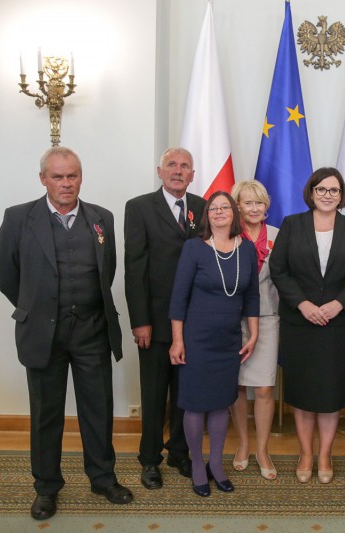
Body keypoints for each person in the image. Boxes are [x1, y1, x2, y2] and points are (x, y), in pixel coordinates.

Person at [0, 146, 133, 521]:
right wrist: (35, 308)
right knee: (46, 415)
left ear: (80, 177)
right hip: (43, 334)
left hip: (92, 331)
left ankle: (103, 479)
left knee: (98, 409)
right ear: (43, 179)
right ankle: (46, 488)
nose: (66, 183)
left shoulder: (101, 218)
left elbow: (108, 273)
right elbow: (7, 276)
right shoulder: (18, 218)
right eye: (57, 176)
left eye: (72, 175)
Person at [269, 167, 345, 484]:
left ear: (341, 196)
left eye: (334, 190)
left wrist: (338, 304)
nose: (328, 195)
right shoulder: (292, 224)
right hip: (299, 323)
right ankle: (305, 453)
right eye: (322, 189)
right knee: (302, 392)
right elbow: (279, 269)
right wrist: (303, 304)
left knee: (329, 394)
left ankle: (325, 453)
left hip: (337, 324)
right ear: (311, 192)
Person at [124, 147, 207, 489]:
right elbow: (134, 268)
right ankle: (149, 460)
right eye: (171, 165)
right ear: (160, 171)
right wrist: (140, 320)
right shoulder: (139, 207)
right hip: (155, 322)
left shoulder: (203, 207)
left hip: (194, 321)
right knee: (155, 393)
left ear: (192, 175)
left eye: (184, 166)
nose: (178, 170)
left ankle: (179, 452)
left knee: (185, 393)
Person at [169, 191, 259, 497]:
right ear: (207, 216)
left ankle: (217, 465)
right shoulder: (194, 248)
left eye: (225, 207)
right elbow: (179, 297)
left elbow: (252, 297)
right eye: (213, 208)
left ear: (234, 213)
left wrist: (254, 334)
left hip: (229, 340)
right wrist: (177, 340)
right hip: (196, 339)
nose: (219, 211)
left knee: (222, 402)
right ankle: (197, 466)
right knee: (195, 405)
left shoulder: (246, 249)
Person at [229, 180, 279, 480]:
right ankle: (243, 444)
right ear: (237, 206)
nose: (254, 208)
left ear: (266, 206)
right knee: (236, 386)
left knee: (264, 387)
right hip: (233, 321)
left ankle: (262, 449)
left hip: (269, 318)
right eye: (248, 202)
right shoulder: (228, 235)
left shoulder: (277, 236)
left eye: (259, 202)